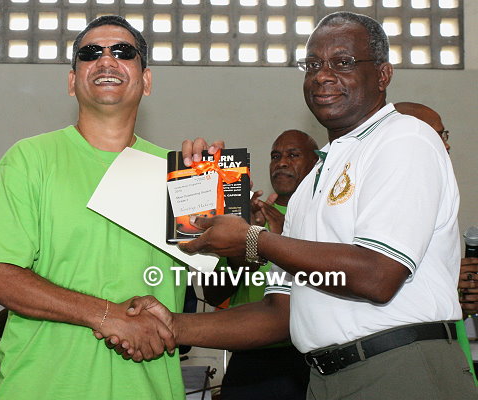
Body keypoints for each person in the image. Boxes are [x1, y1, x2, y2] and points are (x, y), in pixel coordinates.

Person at [114, 11, 478, 400]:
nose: (322, 75)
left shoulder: (404, 137)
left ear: (383, 74)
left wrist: (254, 240)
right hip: (324, 378)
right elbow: (279, 314)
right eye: (313, 64)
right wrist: (171, 324)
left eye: (343, 62)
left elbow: (379, 276)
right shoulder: (311, 185)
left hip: (399, 367)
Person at [0, 15, 220, 400]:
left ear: (146, 80)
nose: (106, 60)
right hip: (41, 388)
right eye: (90, 53)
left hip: (147, 390)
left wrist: (226, 197)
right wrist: (107, 315)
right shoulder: (29, 159)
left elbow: (227, 284)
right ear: (71, 82)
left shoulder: (181, 174)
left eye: (123, 52)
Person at [203, 130, 318, 400]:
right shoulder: (243, 220)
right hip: (249, 359)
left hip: (307, 358)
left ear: (315, 164)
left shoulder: (323, 217)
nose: (281, 162)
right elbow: (214, 295)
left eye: (293, 155)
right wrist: (248, 248)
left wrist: (280, 241)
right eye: (275, 156)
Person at [394, 101, 478, 383]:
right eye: (437, 136)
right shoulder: (390, 206)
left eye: (445, 135)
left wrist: (459, 299)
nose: (447, 146)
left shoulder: (435, 197)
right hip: (407, 364)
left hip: (447, 359)